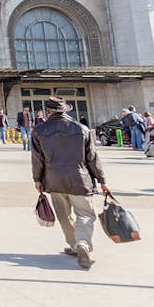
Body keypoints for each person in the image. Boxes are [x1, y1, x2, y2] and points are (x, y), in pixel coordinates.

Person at [30, 96, 108, 270]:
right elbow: (92, 159)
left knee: (64, 216)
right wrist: (102, 180)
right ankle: (83, 243)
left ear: (48, 111)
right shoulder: (82, 129)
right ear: (65, 110)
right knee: (86, 214)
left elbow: (37, 159)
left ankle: (74, 245)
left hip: (54, 179)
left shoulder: (39, 130)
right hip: (80, 179)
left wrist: (37, 179)